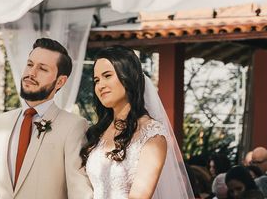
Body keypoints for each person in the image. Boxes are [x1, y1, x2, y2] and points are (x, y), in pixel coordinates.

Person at [0, 38, 92, 199]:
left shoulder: (74, 126)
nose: (31, 73)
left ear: (60, 81)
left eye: (42, 69)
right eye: (29, 64)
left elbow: (80, 193)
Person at [81, 45, 193, 199]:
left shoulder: (152, 134)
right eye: (96, 80)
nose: (100, 85)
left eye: (107, 76)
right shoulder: (98, 132)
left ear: (128, 76)